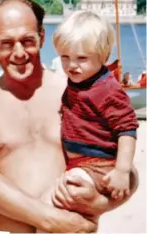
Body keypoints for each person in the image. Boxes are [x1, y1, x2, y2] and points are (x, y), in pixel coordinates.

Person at [0, 0, 138, 233]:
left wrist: (101, 203)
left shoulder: (76, 92)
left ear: (42, 36)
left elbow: (119, 163)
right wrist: (52, 220)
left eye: (27, 40)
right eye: (6, 43)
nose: (19, 53)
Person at [50, 8, 138, 215]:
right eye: (65, 57)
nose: (72, 65)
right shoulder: (78, 81)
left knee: (68, 195)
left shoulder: (107, 90)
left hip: (100, 164)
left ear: (103, 56)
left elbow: (127, 129)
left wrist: (122, 170)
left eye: (81, 58)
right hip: (79, 161)